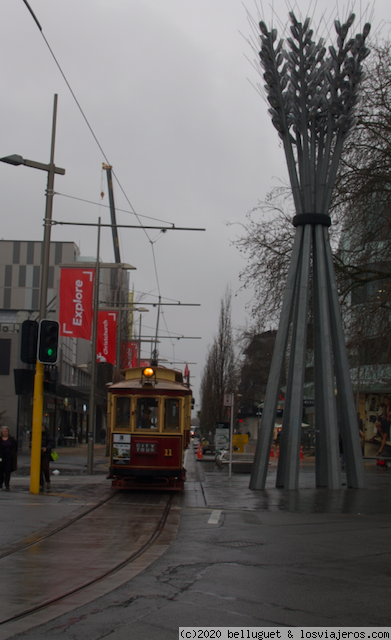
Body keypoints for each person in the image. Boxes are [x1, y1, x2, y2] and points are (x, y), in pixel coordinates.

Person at [41, 425, 55, 491]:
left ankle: (47, 481)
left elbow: (51, 443)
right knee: (39, 469)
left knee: (45, 468)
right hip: (38, 454)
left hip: (46, 454)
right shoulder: (36, 434)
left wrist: (46, 448)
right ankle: (41, 483)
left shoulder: (48, 435)